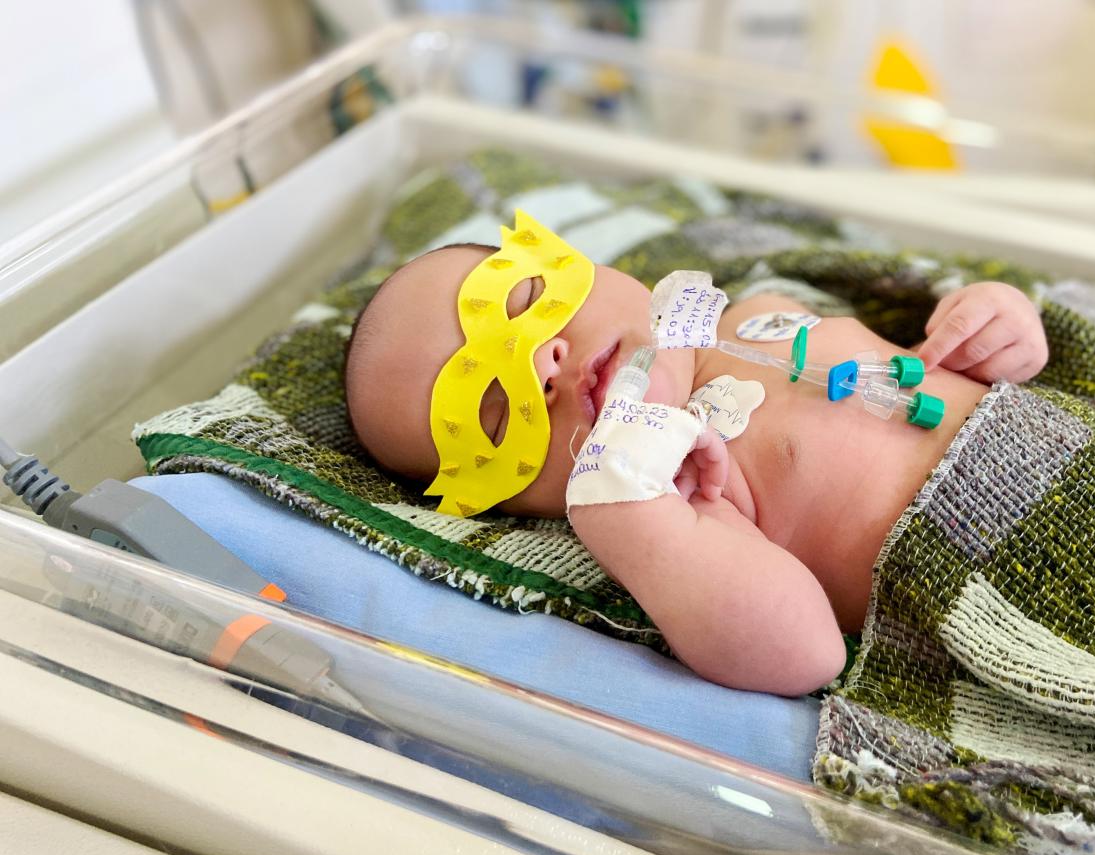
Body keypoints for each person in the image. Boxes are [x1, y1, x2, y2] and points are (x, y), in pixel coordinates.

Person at [344, 225, 1048, 697]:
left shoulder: (765, 310)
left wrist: (999, 325)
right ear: (516, 505)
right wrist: (634, 513)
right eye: (494, 412)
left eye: (524, 299)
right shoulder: (685, 501)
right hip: (1018, 576)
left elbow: (953, 356)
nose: (542, 361)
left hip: (1059, 441)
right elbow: (806, 653)